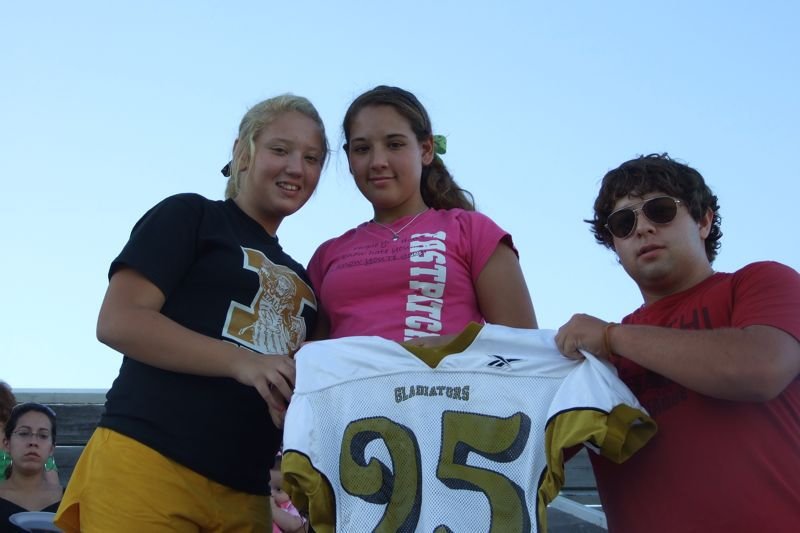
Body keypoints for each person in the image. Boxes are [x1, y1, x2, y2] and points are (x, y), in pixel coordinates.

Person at [54, 94, 328, 533]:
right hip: (148, 461)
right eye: (280, 150)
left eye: (312, 158)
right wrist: (244, 363)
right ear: (243, 151)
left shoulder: (307, 280)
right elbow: (119, 320)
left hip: (246, 493)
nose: (297, 167)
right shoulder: (191, 215)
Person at [555, 153, 800, 532]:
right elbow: (530, 450)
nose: (643, 229)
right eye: (624, 222)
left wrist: (611, 336)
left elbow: (760, 368)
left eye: (660, 210)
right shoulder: (596, 362)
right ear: (615, 247)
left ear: (704, 221)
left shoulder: (762, 283)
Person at [307, 85, 536, 342]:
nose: (378, 161)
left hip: (446, 383)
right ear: (349, 159)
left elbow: (524, 351)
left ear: (426, 150)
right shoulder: (327, 256)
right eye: (362, 149)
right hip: (347, 383)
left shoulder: (473, 232)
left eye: (394, 145)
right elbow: (310, 361)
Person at [0, 403, 63, 532]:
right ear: (7, 444)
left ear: (51, 449)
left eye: (43, 435)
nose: (33, 442)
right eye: (23, 433)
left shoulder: (69, 502)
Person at [270, 456, 307, 533]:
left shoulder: (290, 505)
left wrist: (273, 509)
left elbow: (295, 525)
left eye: (278, 489)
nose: (271, 493)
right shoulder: (262, 501)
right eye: (267, 487)